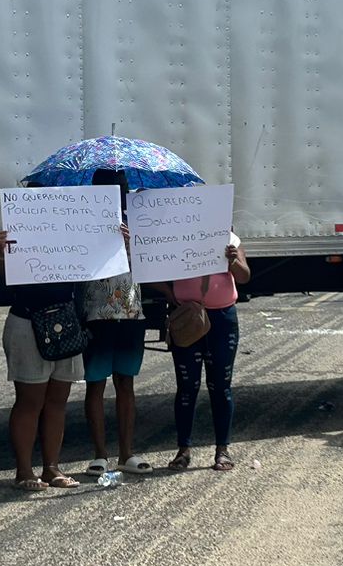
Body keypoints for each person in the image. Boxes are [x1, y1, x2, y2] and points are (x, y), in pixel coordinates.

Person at [0, 227, 83, 490]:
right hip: (27, 319)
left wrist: (114, 241)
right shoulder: (19, 232)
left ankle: (51, 467)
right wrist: (2, 253)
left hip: (66, 320)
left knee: (58, 400)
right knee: (30, 401)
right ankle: (24, 471)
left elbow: (98, 265)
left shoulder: (74, 227)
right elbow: (7, 278)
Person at [79, 170, 153, 475]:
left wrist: (132, 241)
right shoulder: (81, 219)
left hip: (131, 312)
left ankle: (126, 453)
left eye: (120, 185)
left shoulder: (138, 218)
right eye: (109, 184)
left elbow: (153, 260)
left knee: (126, 382)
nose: (117, 189)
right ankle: (100, 454)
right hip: (95, 312)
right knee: (95, 384)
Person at [162, 233, 251, 471]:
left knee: (220, 387)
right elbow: (151, 269)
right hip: (188, 318)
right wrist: (171, 295)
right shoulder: (177, 238)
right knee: (186, 387)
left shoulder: (232, 240)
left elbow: (244, 276)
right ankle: (183, 450)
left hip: (222, 319)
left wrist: (233, 261)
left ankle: (222, 450)